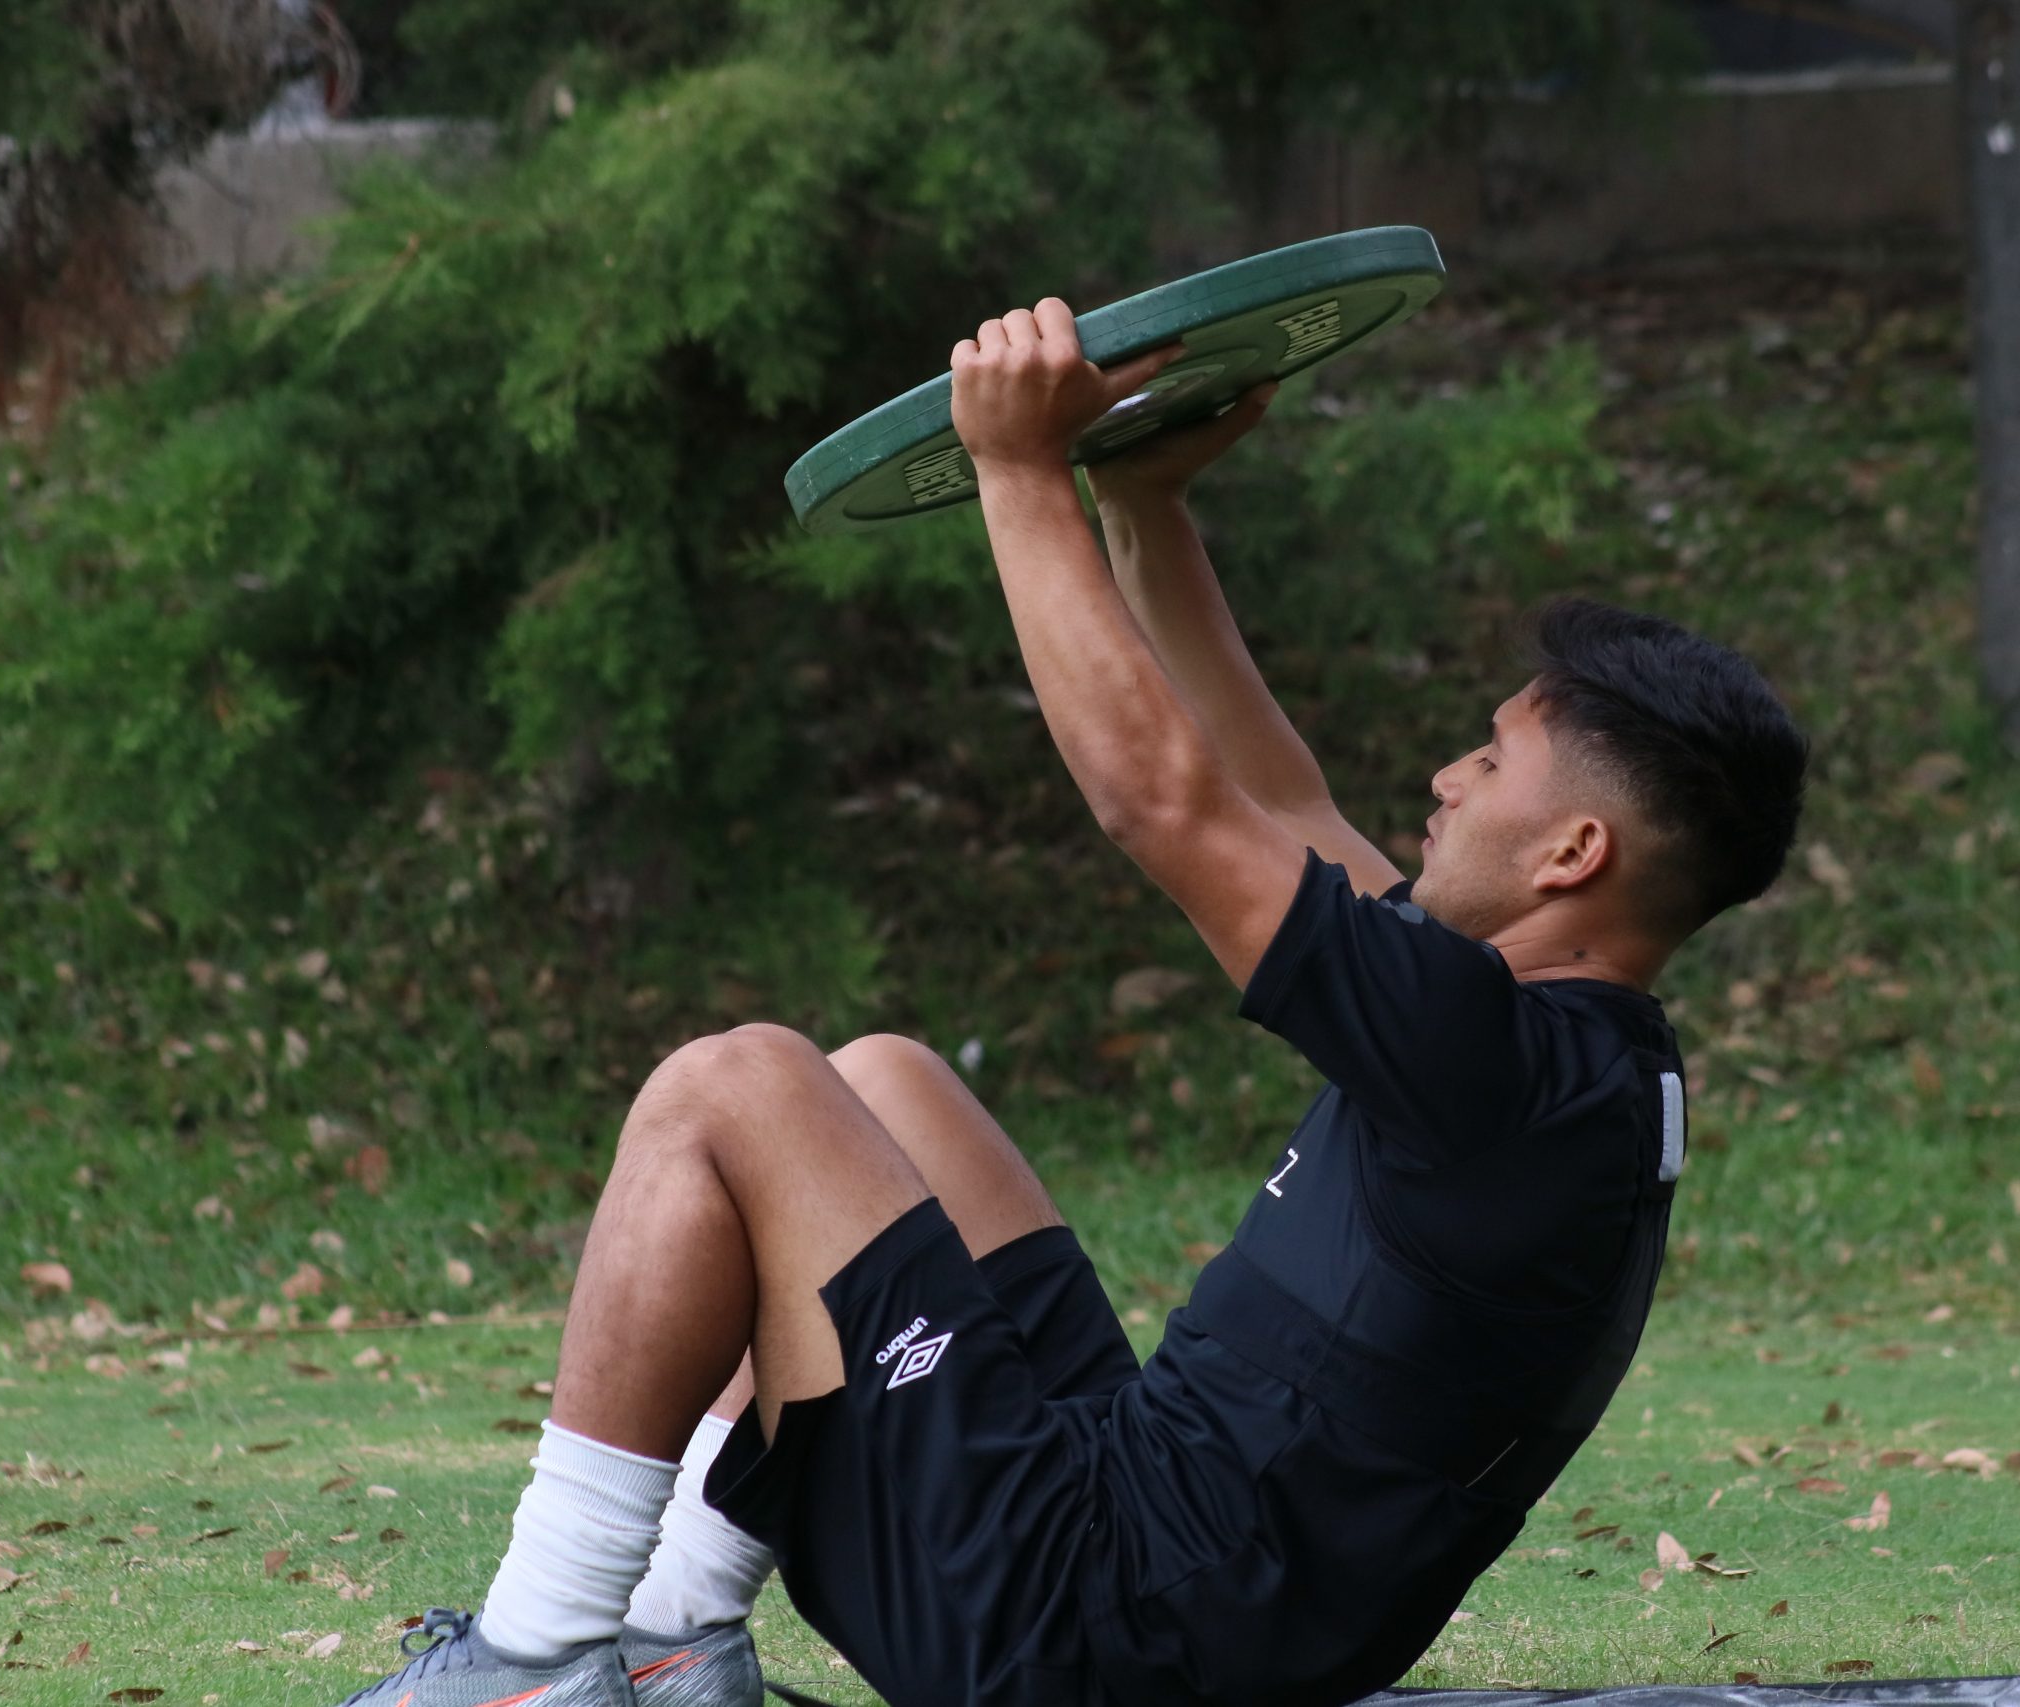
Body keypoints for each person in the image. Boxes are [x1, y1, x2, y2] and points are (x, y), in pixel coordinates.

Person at [326, 298, 1808, 1707]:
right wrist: (1140, 509)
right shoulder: (1566, 1053)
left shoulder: (1492, 1068)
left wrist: (1022, 474)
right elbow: (1273, 794)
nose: (1444, 781)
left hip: (1088, 1638)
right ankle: (669, 1642)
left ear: (1572, 853)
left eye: (1488, 765)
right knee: (888, 1082)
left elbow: (1164, 804)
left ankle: (535, 1651)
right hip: (1159, 1574)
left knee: (735, 1088)